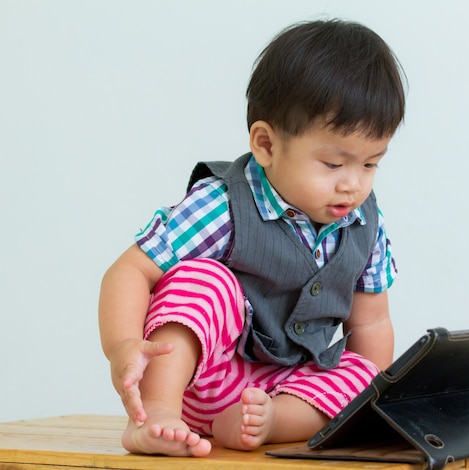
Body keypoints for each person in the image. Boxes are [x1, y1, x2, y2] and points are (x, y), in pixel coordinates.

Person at [98, 18, 405, 457]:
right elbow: (130, 269)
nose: (352, 185)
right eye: (334, 165)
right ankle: (156, 414)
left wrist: (372, 408)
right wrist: (122, 345)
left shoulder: (364, 224)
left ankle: (268, 423)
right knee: (203, 280)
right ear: (266, 144)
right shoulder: (222, 204)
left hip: (288, 392)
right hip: (205, 375)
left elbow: (371, 323)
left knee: (368, 374)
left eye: (370, 165)